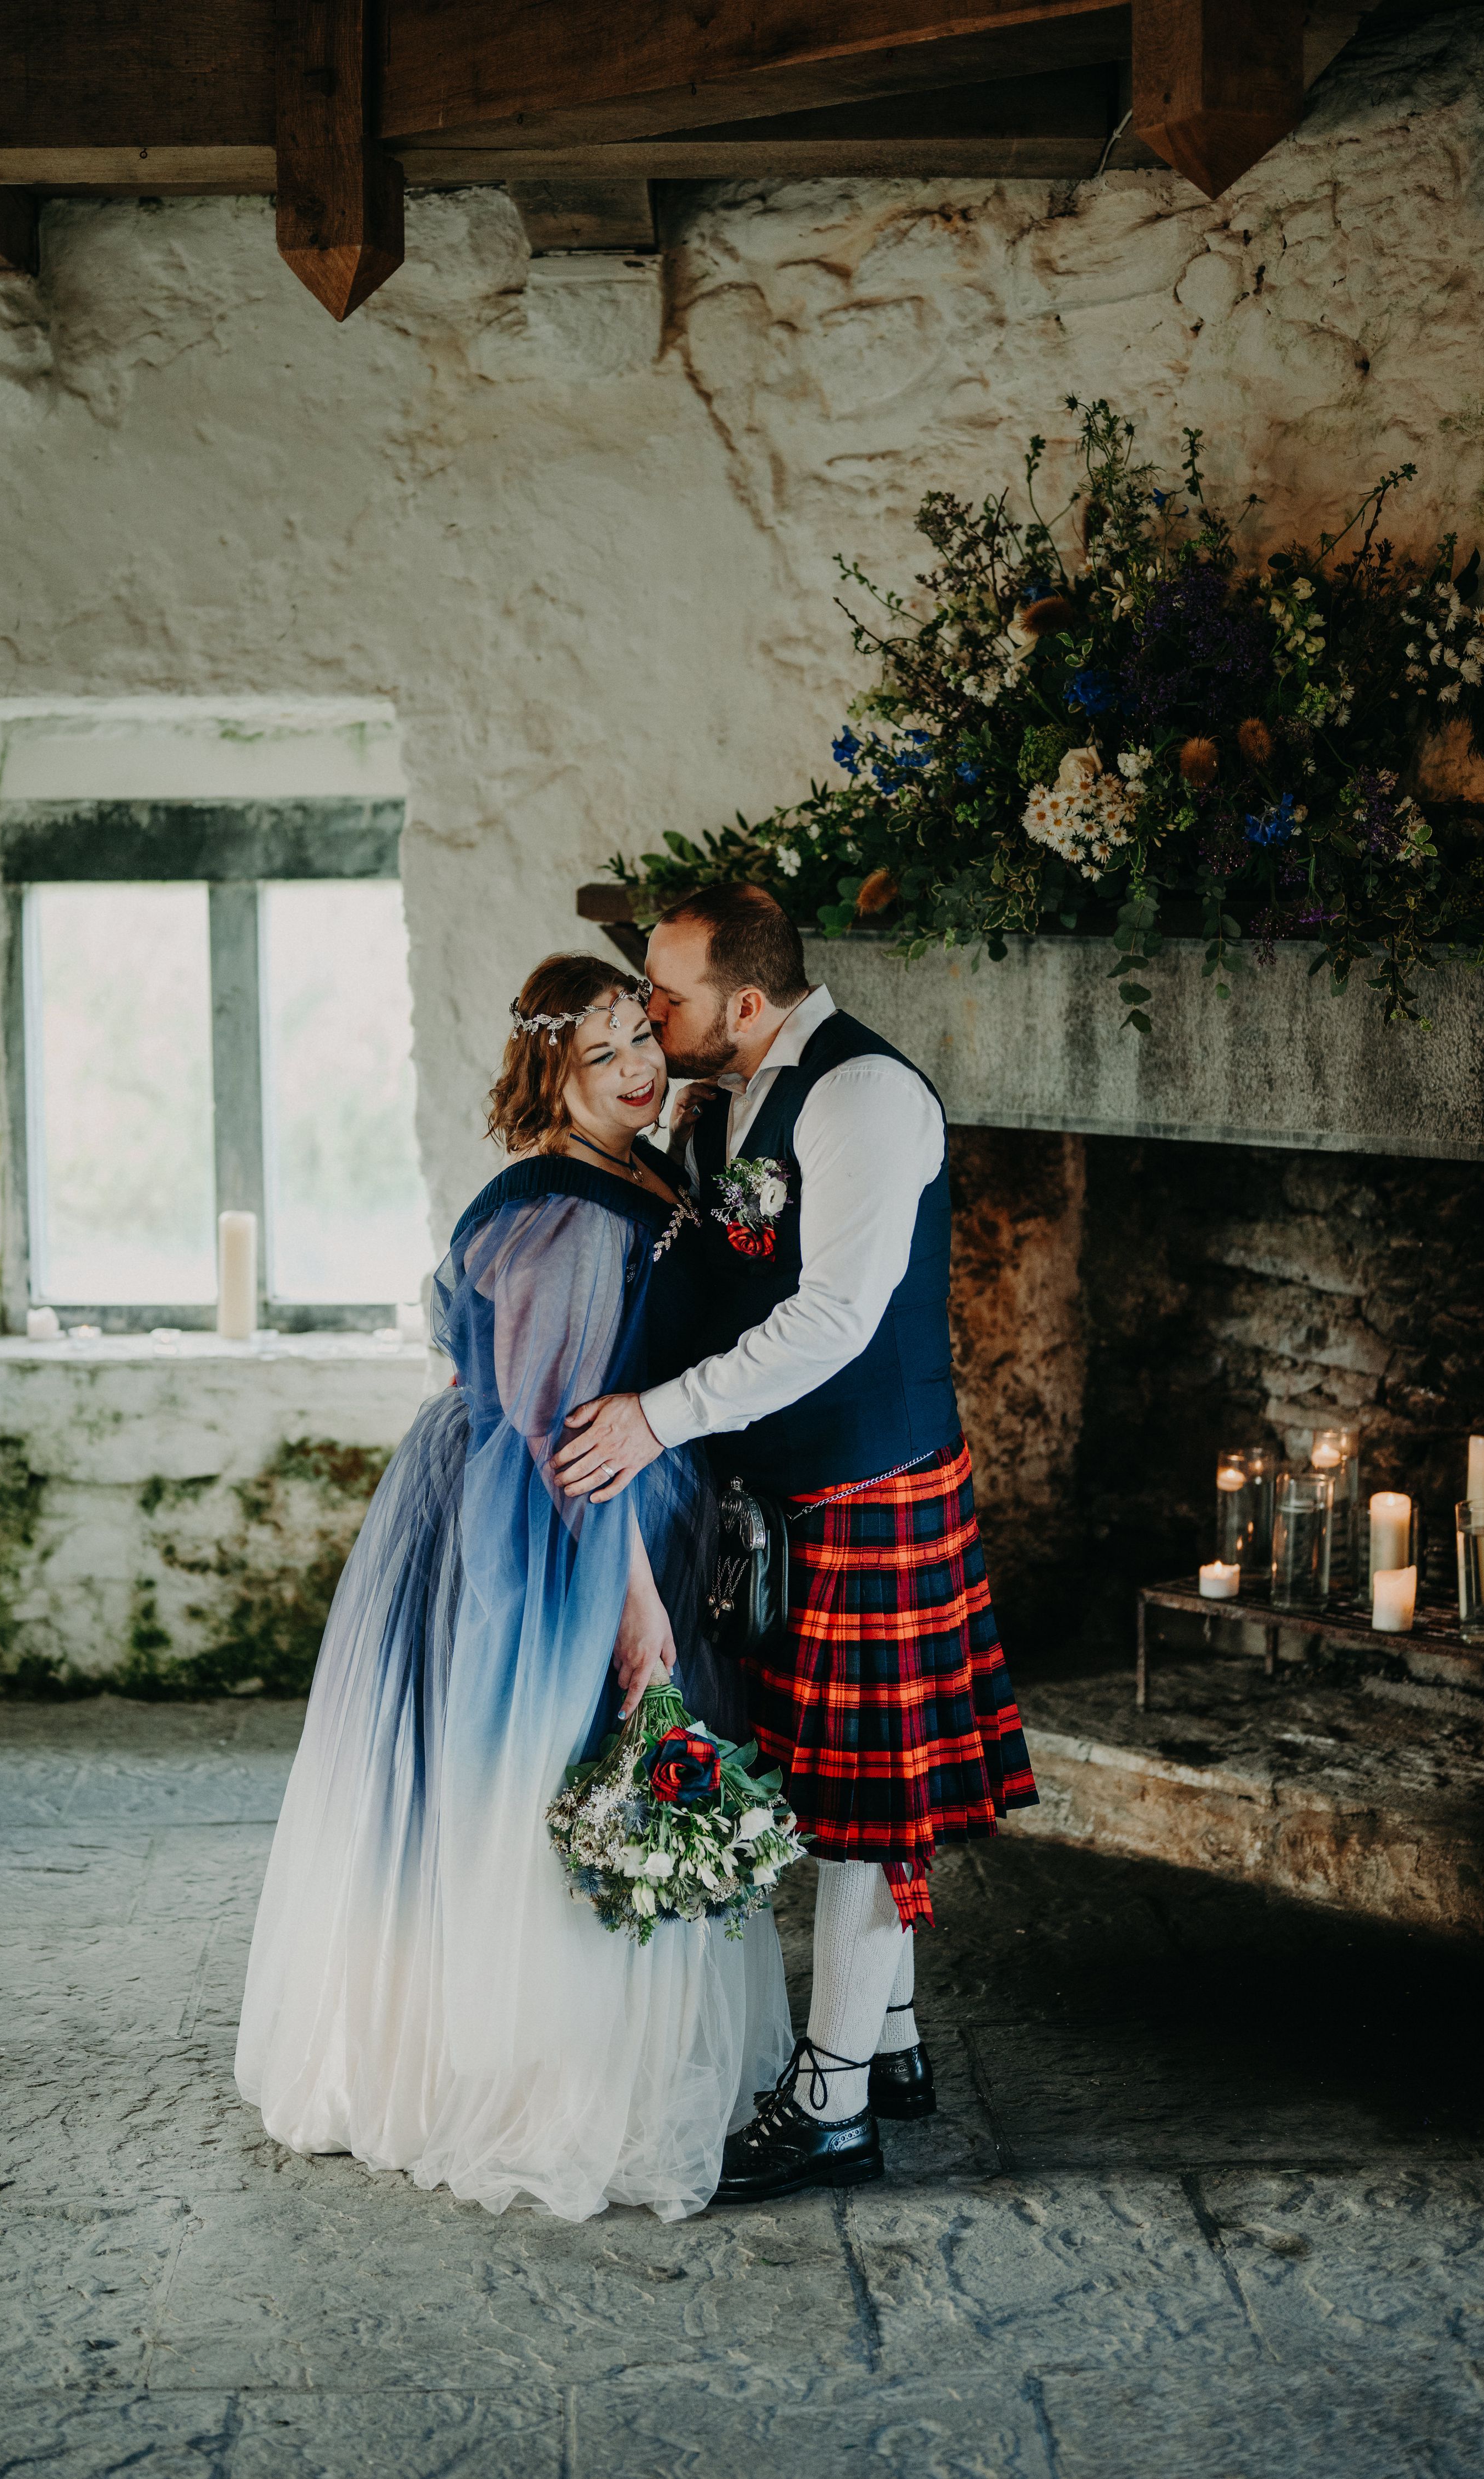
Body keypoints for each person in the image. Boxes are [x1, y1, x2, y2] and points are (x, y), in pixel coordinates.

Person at [236, 953, 790, 2222]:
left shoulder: (627, 1167)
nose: (643, 1069)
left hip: (550, 1496)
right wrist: (635, 1602)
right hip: (565, 1528)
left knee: (562, 1778)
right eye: (607, 1058)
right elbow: (564, 1430)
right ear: (556, 1072)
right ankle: (545, 2073)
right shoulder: (570, 1211)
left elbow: (465, 1340)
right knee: (559, 1773)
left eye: (646, 1040)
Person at [553, 884, 1037, 2203]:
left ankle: (832, 2109)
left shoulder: (865, 1097)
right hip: (792, 1492)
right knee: (841, 1777)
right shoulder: (744, 1089)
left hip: (871, 1484)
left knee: (870, 1803)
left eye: (669, 995)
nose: (651, 1012)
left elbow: (831, 1321)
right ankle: (889, 2040)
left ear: (748, 1004)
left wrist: (656, 1420)